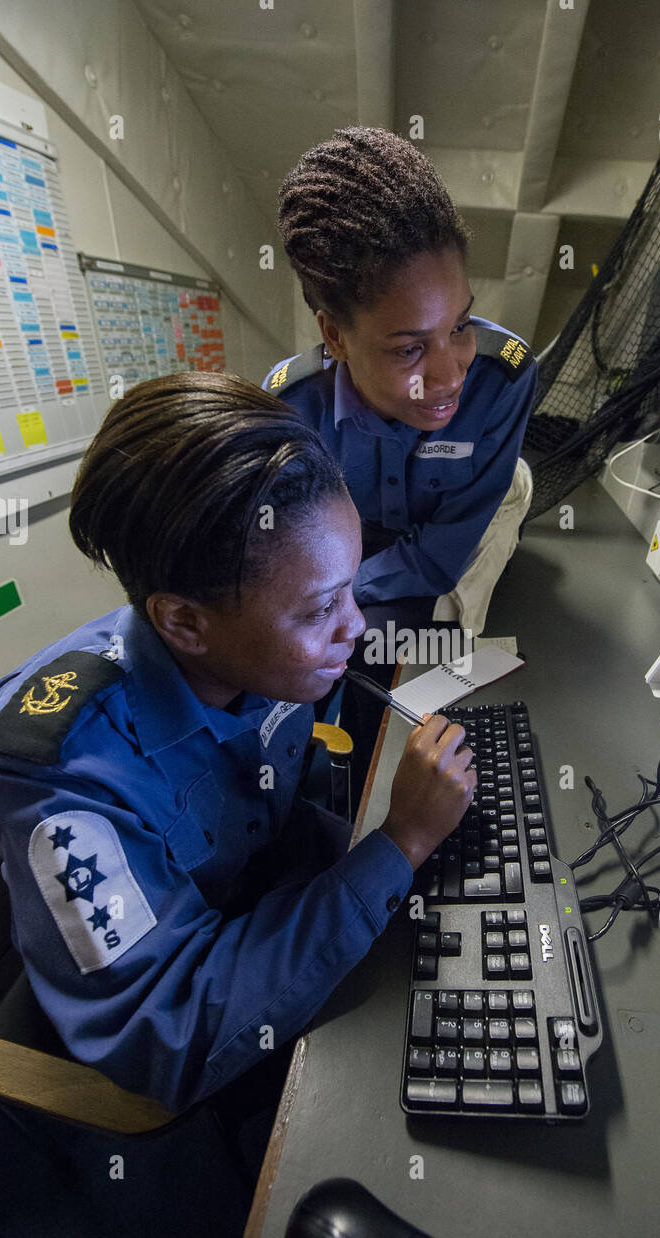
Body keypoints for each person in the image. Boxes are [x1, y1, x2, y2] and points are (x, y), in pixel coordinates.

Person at [0, 371, 476, 1115]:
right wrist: (397, 846)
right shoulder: (61, 774)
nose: (357, 627)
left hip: (259, 911)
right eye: (320, 609)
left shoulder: (263, 656)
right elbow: (168, 1035)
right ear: (183, 623)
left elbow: (286, 796)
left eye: (350, 589)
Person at [265, 126, 537, 782]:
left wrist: (335, 601)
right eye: (409, 348)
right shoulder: (288, 409)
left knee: (438, 643)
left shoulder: (503, 378)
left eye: (460, 326)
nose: (449, 378)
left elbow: (437, 560)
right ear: (335, 335)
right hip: (362, 540)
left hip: (472, 514)